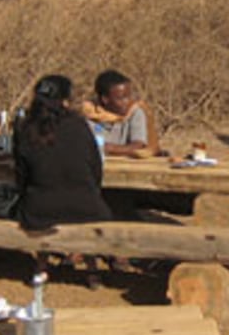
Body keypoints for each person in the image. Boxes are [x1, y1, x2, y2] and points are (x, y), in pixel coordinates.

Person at [14, 74, 113, 230]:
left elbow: (21, 177)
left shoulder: (24, 128)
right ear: (65, 101)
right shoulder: (79, 125)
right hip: (88, 209)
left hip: (39, 212)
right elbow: (96, 170)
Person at [80, 70, 160, 157]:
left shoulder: (135, 112)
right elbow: (88, 147)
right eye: (121, 98)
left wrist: (109, 148)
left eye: (129, 96)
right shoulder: (88, 117)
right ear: (105, 99)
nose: (127, 101)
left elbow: (138, 145)